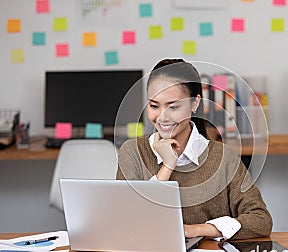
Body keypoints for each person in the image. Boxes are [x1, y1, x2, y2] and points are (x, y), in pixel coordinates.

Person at [116, 58, 272, 240]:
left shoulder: (223, 157)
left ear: (194, 104)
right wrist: (167, 166)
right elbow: (127, 220)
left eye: (173, 106)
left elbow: (261, 220)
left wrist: (197, 230)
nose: (162, 117)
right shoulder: (133, 152)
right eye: (154, 106)